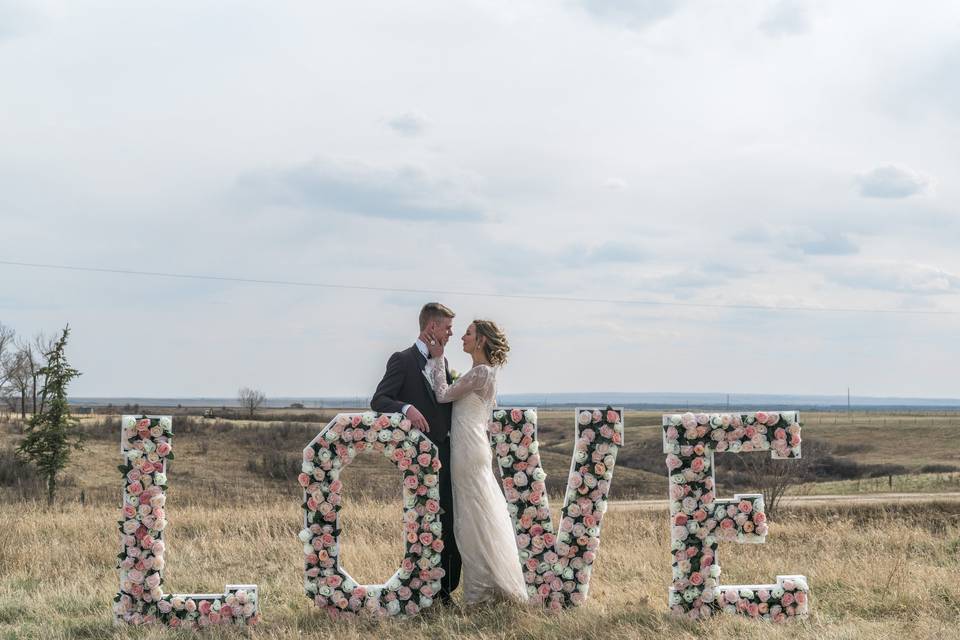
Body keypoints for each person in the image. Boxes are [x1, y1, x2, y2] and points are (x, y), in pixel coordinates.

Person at [424, 319, 528, 605]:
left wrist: (438, 358)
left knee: (470, 520)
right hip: (471, 446)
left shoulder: (481, 372)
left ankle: (481, 591)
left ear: (481, 340)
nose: (462, 337)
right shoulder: (480, 373)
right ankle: (485, 586)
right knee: (475, 516)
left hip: (467, 450)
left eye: (468, 333)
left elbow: (443, 395)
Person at [371, 302, 462, 604]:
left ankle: (446, 590)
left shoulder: (443, 362)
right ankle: (422, 590)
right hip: (420, 461)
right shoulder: (402, 360)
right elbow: (380, 399)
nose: (451, 333)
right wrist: (406, 408)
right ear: (431, 327)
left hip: (448, 456)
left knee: (451, 521)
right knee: (425, 524)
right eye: (447, 327)